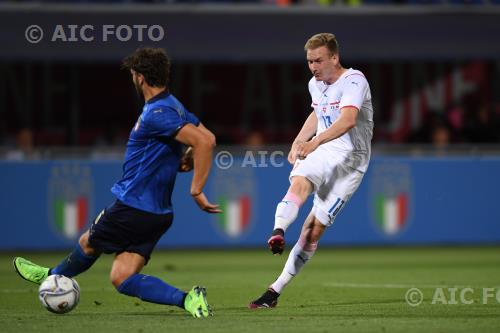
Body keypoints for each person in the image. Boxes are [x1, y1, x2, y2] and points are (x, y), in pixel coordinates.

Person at [13, 47, 221, 318]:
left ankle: (51, 275)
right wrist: (185, 159)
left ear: (140, 78)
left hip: (133, 205)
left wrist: (196, 189)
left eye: (133, 74)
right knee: (121, 277)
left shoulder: (157, 112)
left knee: (89, 242)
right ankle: (188, 299)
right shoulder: (174, 105)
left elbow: (203, 141)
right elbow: (210, 138)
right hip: (158, 213)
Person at [248, 33, 374, 308]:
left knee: (313, 230)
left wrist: (313, 141)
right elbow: (317, 113)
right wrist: (298, 141)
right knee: (299, 182)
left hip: (352, 160)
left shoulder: (354, 80)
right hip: (325, 150)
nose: (313, 66)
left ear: (334, 58)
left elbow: (348, 120)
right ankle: (278, 230)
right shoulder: (314, 84)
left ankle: (274, 291)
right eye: (309, 61)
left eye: (318, 60)